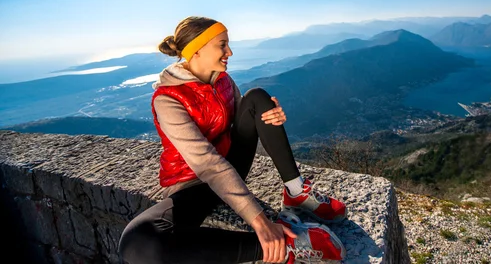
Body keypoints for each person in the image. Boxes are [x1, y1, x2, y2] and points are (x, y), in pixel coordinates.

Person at [118, 16, 347, 264]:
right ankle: (287, 246)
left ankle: (296, 192)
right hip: (193, 185)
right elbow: (207, 165)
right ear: (197, 49)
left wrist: (268, 116)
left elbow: (244, 121)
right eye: (222, 45)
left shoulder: (223, 81)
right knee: (137, 242)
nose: (230, 52)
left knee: (258, 98)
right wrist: (260, 221)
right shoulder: (168, 100)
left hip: (230, 164)